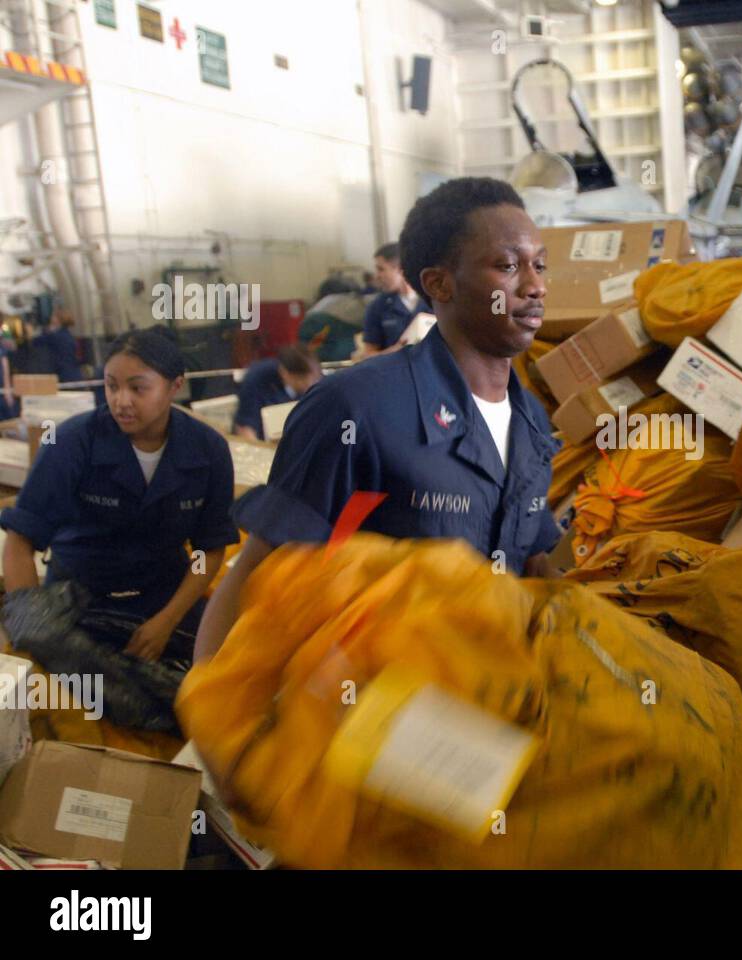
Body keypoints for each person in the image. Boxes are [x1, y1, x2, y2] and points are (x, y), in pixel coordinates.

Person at [196, 178, 561, 661]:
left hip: (484, 703)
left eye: (538, 265)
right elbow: (259, 574)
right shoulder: (357, 408)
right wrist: (215, 704)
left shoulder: (532, 423)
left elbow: (531, 560)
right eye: (507, 266)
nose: (534, 286)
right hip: (368, 709)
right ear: (438, 283)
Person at [1, 325, 240, 665]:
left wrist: (166, 621)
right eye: (111, 386)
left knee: (211, 678)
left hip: (163, 595)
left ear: (175, 386)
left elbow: (208, 550)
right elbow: (20, 541)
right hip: (80, 597)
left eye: (137, 388)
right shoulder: (72, 442)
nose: (121, 401)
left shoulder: (208, 450)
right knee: (74, 694)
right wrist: (34, 625)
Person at [232, 344, 322, 441]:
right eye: (303, 379)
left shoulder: (320, 385)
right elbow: (245, 429)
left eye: (316, 377)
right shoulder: (258, 379)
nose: (311, 383)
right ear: (285, 374)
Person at [361, 242, 423, 356]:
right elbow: (368, 355)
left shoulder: (432, 301)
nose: (377, 276)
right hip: (395, 371)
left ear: (400, 269)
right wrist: (395, 352)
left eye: (381, 269)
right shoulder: (377, 307)